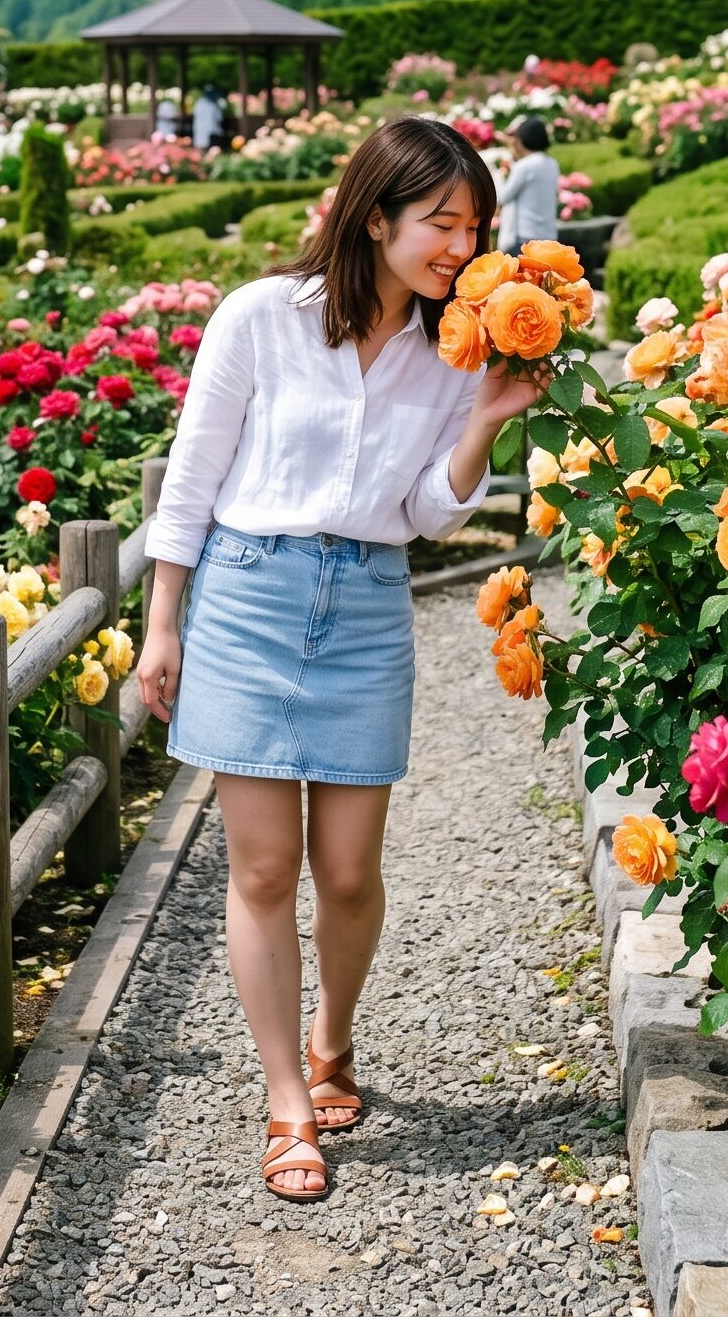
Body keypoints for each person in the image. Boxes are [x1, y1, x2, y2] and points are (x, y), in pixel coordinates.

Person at [136, 116, 541, 1202]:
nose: (458, 245)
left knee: (349, 870)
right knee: (262, 867)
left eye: (473, 225)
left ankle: (332, 1038)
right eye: (439, 221)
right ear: (376, 214)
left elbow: (420, 511)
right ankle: (283, 1101)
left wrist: (485, 420)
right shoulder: (261, 317)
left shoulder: (452, 354)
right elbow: (192, 477)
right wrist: (161, 620)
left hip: (365, 599)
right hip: (247, 595)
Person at [493, 116, 560, 258]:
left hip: (525, 237)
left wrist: (499, 174)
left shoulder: (524, 166)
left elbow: (503, 196)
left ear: (523, 139)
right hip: (548, 236)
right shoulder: (552, 164)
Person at [191, 83, 226, 151]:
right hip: (211, 134)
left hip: (203, 133)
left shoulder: (199, 103)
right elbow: (220, 118)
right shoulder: (213, 104)